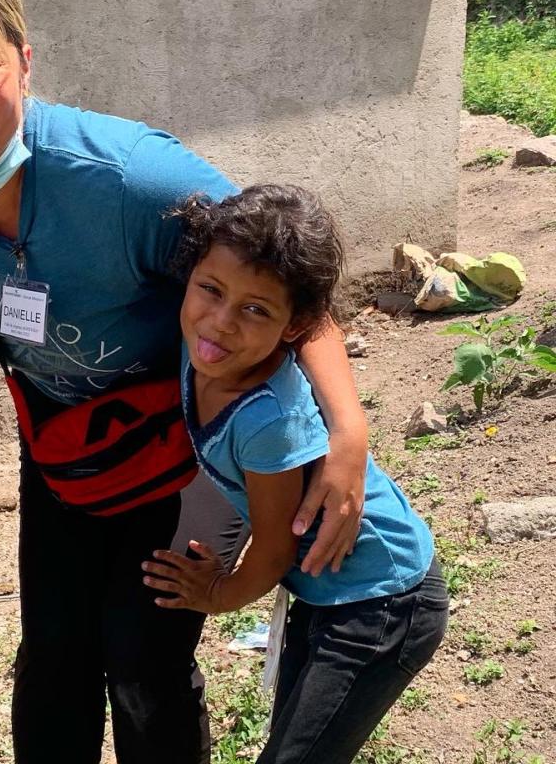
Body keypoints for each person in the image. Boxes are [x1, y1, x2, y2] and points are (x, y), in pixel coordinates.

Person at [0, 0, 373, 761]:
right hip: (62, 442)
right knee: (54, 656)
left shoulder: (132, 181)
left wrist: (347, 430)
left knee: (145, 662)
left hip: (182, 453)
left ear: (24, 63)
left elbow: (285, 288)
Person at [143, 184, 448, 764]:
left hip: (384, 603)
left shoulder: (268, 418)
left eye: (256, 309)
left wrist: (218, 592)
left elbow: (276, 543)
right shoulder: (199, 347)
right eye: (211, 289)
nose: (221, 322)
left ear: (295, 325)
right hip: (330, 595)